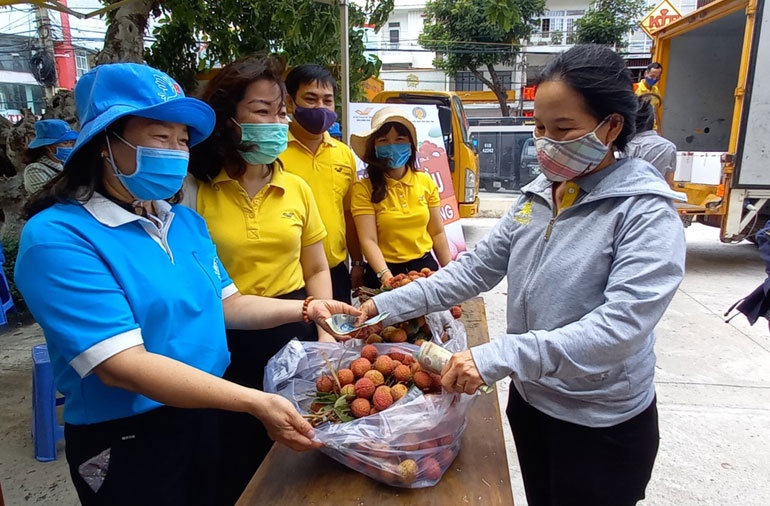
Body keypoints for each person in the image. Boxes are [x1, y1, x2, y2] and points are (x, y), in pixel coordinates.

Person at [14, 63, 358, 506]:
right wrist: (255, 401)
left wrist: (308, 309)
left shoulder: (183, 222)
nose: (176, 151)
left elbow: (228, 305)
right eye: (161, 137)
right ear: (105, 142)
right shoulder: (58, 238)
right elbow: (122, 365)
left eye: (182, 139)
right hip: (130, 436)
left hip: (207, 414)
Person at [357, 45, 687, 506]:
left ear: (610, 126)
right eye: (539, 128)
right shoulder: (538, 197)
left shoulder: (645, 213)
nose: (545, 142)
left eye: (563, 129)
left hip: (600, 422)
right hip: (532, 405)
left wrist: (500, 355)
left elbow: (622, 328)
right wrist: (380, 305)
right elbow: (474, 269)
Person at [185, 56, 334, 504]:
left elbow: (317, 268)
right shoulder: (194, 187)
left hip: (292, 331)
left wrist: (325, 333)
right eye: (262, 111)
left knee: (297, 459)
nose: (278, 121)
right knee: (233, 459)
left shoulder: (297, 189)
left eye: (280, 111)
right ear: (229, 119)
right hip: (222, 339)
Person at [279, 64, 364, 303]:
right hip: (287, 276)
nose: (320, 107)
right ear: (289, 102)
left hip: (335, 271)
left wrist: (357, 262)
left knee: (335, 338)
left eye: (328, 101)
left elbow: (348, 214)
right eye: (311, 98)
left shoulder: (344, 155)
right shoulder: (273, 152)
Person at [349, 107, 451, 288]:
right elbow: (368, 240)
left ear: (410, 145)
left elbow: (437, 232)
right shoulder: (363, 189)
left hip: (424, 271)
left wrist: (452, 272)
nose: (392, 145)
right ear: (374, 147)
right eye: (384, 140)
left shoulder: (425, 181)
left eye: (399, 139)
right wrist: (387, 278)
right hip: (383, 272)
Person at [625, 94, 677, 185]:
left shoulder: (621, 146)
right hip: (656, 196)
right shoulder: (668, 147)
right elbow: (669, 183)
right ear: (653, 121)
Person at [23, 119, 78, 193]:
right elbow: (46, 196)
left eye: (71, 143)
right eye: (65, 143)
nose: (70, 147)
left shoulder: (65, 164)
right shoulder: (35, 169)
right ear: (48, 146)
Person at [635, 62, 663, 132]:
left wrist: (659, 131)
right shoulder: (634, 88)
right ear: (645, 74)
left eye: (657, 77)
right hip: (637, 129)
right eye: (652, 76)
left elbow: (656, 112)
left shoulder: (656, 90)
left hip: (652, 129)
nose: (654, 79)